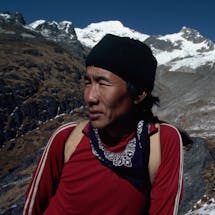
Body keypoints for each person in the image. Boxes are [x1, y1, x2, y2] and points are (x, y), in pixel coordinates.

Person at [23, 34, 184, 215]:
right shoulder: (67, 137)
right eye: (87, 82)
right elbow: (32, 208)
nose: (90, 97)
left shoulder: (162, 142)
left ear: (138, 94)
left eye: (103, 83)